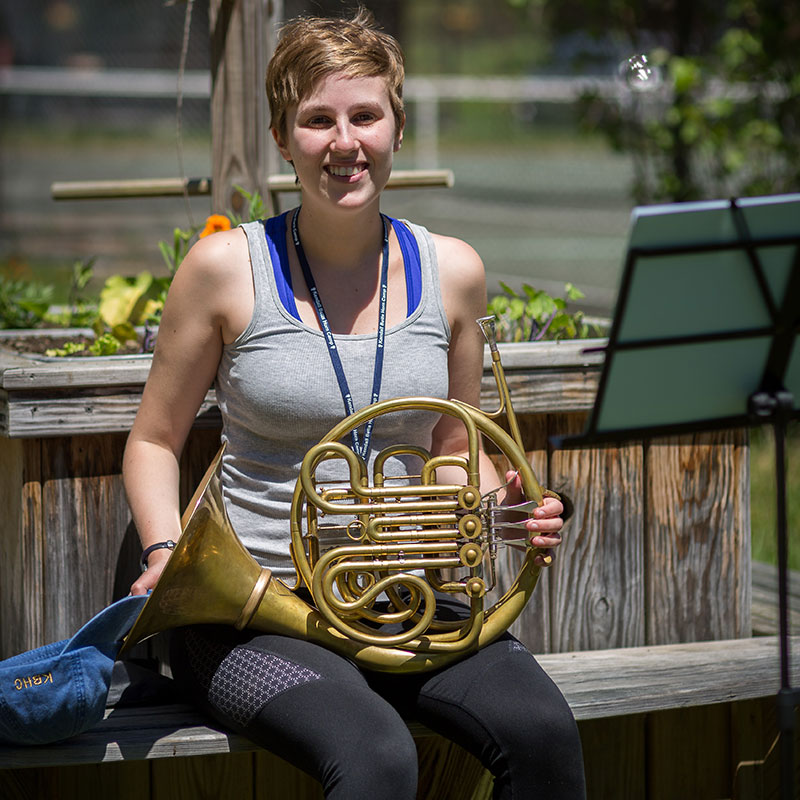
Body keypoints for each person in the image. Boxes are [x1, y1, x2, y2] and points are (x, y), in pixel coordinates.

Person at [124, 7, 586, 798]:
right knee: (375, 758)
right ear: (282, 137)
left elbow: (451, 448)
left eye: (365, 115)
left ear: (397, 127)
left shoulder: (454, 272)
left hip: (401, 600)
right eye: (317, 119)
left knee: (545, 734)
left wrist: (504, 507)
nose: (345, 142)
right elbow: (155, 441)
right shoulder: (224, 268)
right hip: (251, 609)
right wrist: (166, 556)